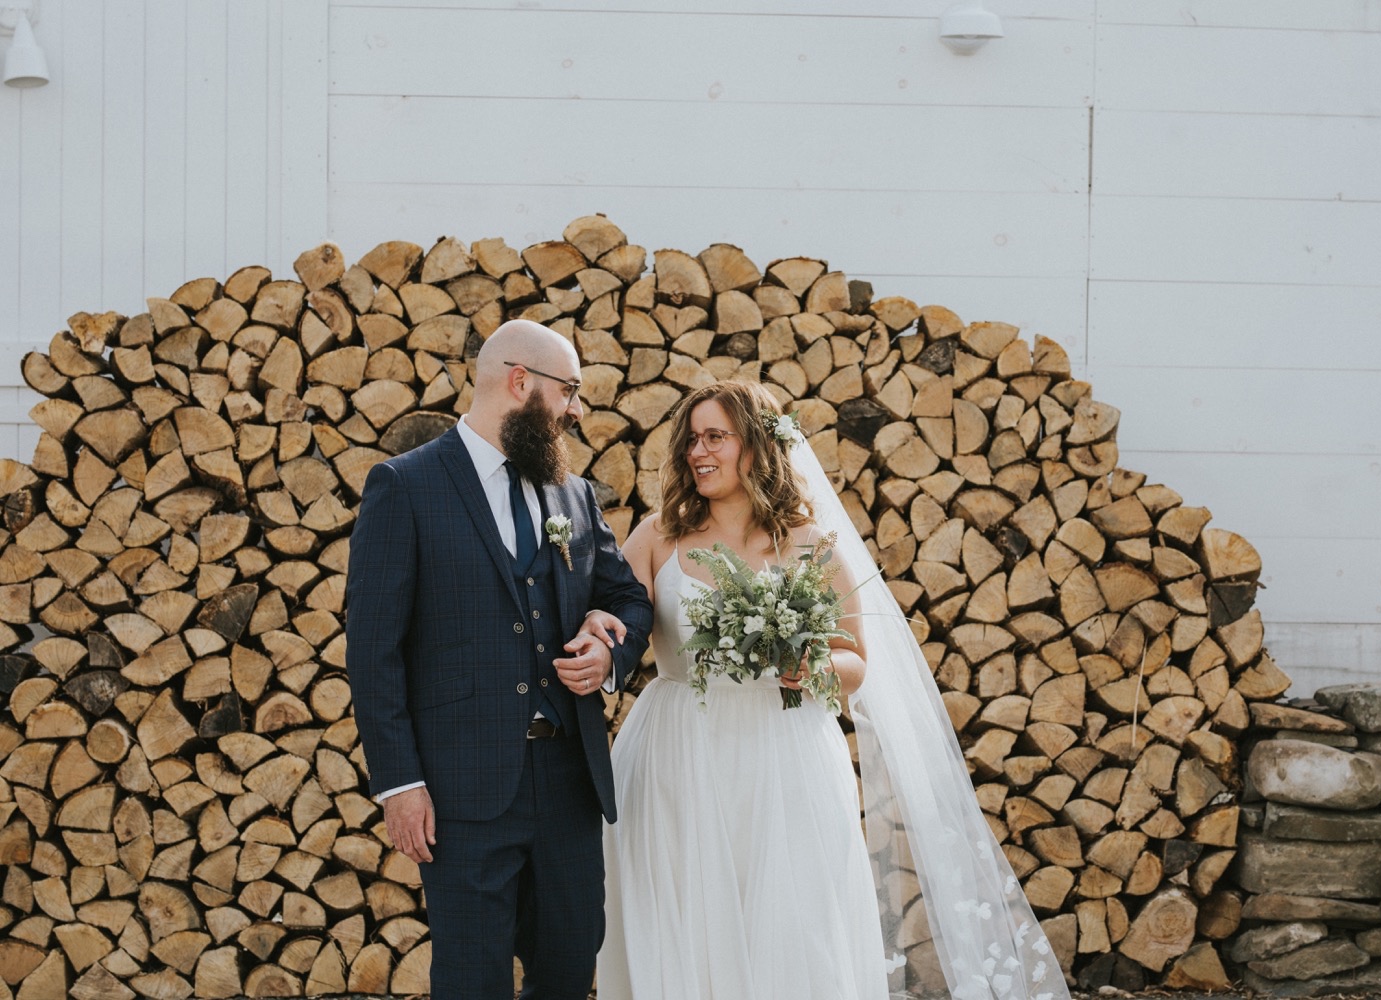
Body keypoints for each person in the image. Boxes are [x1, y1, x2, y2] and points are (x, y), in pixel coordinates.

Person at [591, 380, 1072, 1000]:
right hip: (677, 751)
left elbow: (855, 659)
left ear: (759, 447)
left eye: (716, 436)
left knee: (793, 919)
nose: (697, 450)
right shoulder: (659, 535)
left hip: (785, 751)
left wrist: (811, 663)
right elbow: (620, 623)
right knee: (680, 908)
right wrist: (597, 645)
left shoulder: (810, 544)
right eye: (690, 437)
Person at [346, 319, 653, 1000]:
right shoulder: (405, 486)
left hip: (569, 782)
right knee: (472, 980)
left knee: (569, 973)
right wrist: (399, 785)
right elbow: (374, 652)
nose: (578, 408)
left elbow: (628, 599)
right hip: (461, 791)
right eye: (569, 391)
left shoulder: (570, 493)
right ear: (521, 383)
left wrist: (608, 649)